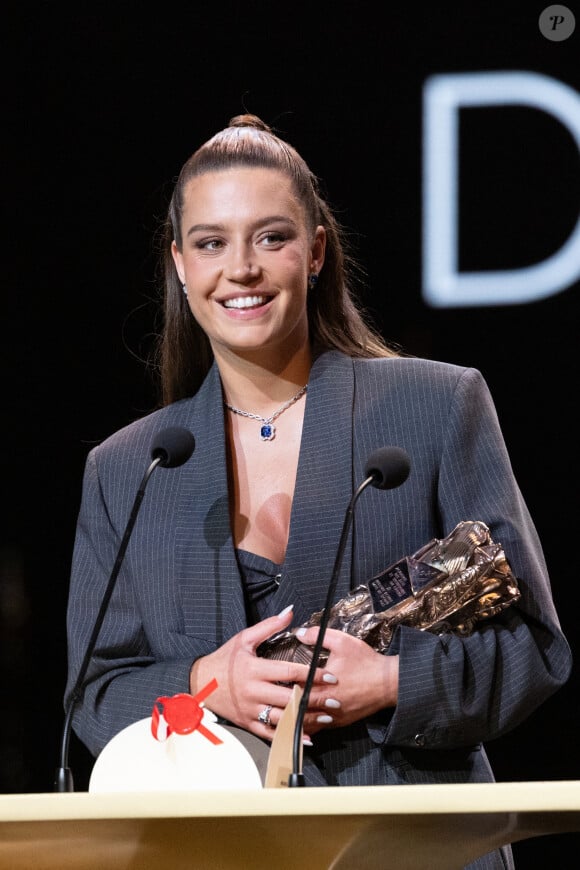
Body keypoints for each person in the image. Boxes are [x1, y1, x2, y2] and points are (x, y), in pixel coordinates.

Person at [65, 114, 572, 869]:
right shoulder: (129, 466)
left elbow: (534, 647)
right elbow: (95, 694)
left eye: (271, 237)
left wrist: (394, 683)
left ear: (315, 251)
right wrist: (205, 684)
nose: (240, 268)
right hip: (215, 854)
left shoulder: (436, 407)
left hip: (415, 849)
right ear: (179, 263)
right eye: (210, 243)